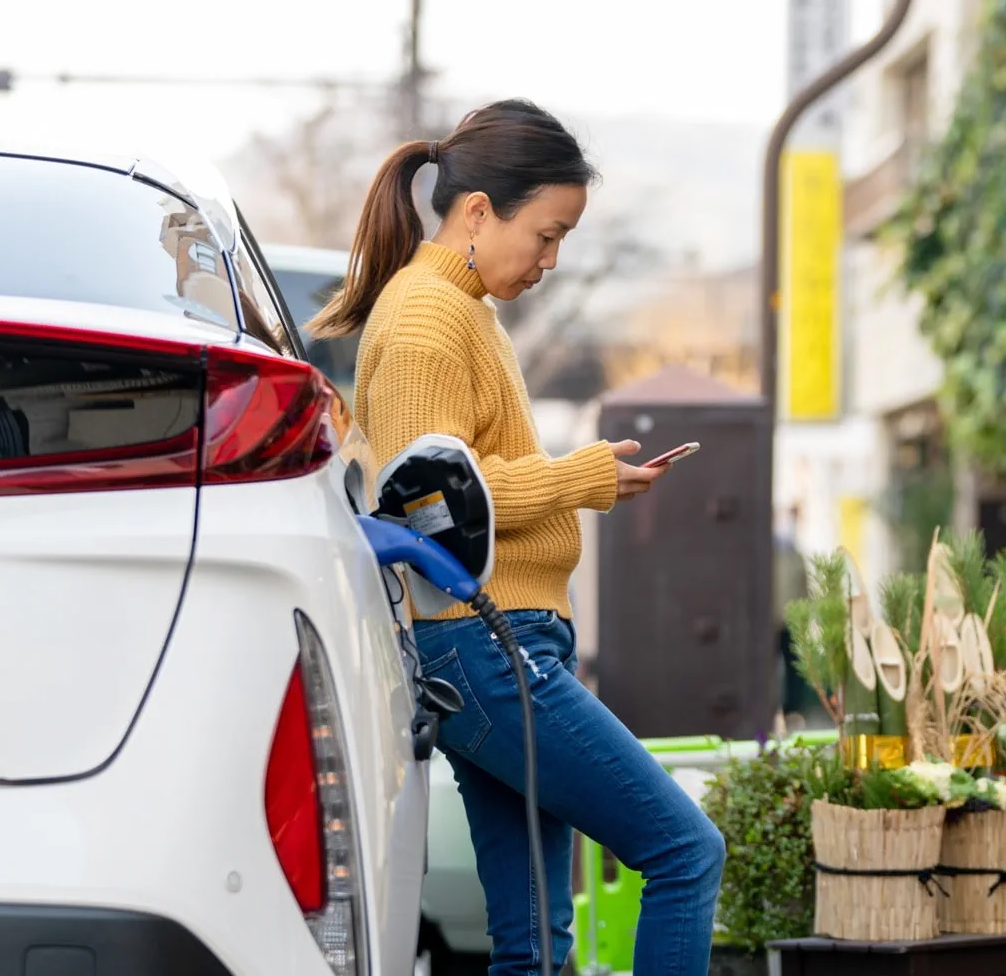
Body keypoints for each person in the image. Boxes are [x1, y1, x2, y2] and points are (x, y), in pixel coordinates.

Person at [308, 100, 725, 976]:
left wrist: (587, 479)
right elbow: (426, 507)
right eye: (545, 233)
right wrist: (584, 477)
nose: (551, 259)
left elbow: (461, 485)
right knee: (686, 853)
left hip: (496, 641)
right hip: (485, 645)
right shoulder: (427, 318)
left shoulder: (462, 311)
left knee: (531, 944)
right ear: (476, 212)